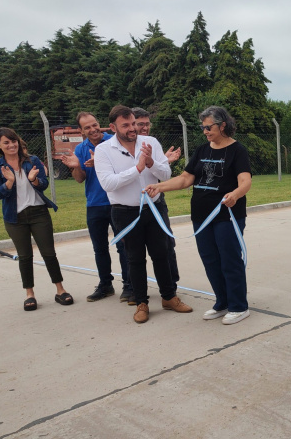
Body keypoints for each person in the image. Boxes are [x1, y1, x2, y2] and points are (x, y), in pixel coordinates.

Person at [145, 105, 252, 325]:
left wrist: (236, 194)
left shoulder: (237, 150)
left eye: (209, 126)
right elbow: (185, 179)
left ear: (223, 125)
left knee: (229, 260)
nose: (205, 131)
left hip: (227, 215)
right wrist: (160, 187)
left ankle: (239, 306)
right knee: (210, 260)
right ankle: (222, 303)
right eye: (203, 127)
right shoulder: (202, 150)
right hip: (202, 217)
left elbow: (245, 181)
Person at [94, 105, 193, 323]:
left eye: (133, 123)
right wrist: (137, 169)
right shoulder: (103, 150)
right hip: (124, 212)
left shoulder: (152, 143)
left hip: (154, 207)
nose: (132, 128)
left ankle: (169, 297)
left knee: (162, 254)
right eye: (125, 125)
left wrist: (150, 163)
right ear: (113, 127)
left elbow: (165, 173)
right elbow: (108, 184)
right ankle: (141, 303)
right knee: (135, 258)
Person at [0, 127, 73, 310]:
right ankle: (30, 294)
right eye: (6, 142)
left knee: (49, 253)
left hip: (38, 213)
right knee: (25, 256)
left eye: (14, 141)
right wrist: (9, 182)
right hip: (15, 217)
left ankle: (60, 290)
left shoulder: (32, 160)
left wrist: (34, 179)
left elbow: (43, 185)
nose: (11, 145)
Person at [61, 112, 133, 303]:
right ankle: (105, 285)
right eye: (87, 127)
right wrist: (76, 166)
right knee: (99, 248)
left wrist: (101, 163)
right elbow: (79, 179)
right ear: (81, 130)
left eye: (95, 125)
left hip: (117, 202)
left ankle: (129, 285)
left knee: (123, 246)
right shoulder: (80, 149)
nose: (93, 130)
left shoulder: (114, 142)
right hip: (94, 205)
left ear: (100, 124)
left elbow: (127, 169)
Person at [133, 107, 181, 287]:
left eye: (147, 124)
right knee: (133, 250)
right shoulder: (121, 147)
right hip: (133, 206)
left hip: (156, 202)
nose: (144, 128)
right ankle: (133, 287)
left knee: (166, 244)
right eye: (140, 124)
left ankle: (171, 284)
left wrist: (161, 161)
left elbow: (164, 174)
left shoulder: (153, 143)